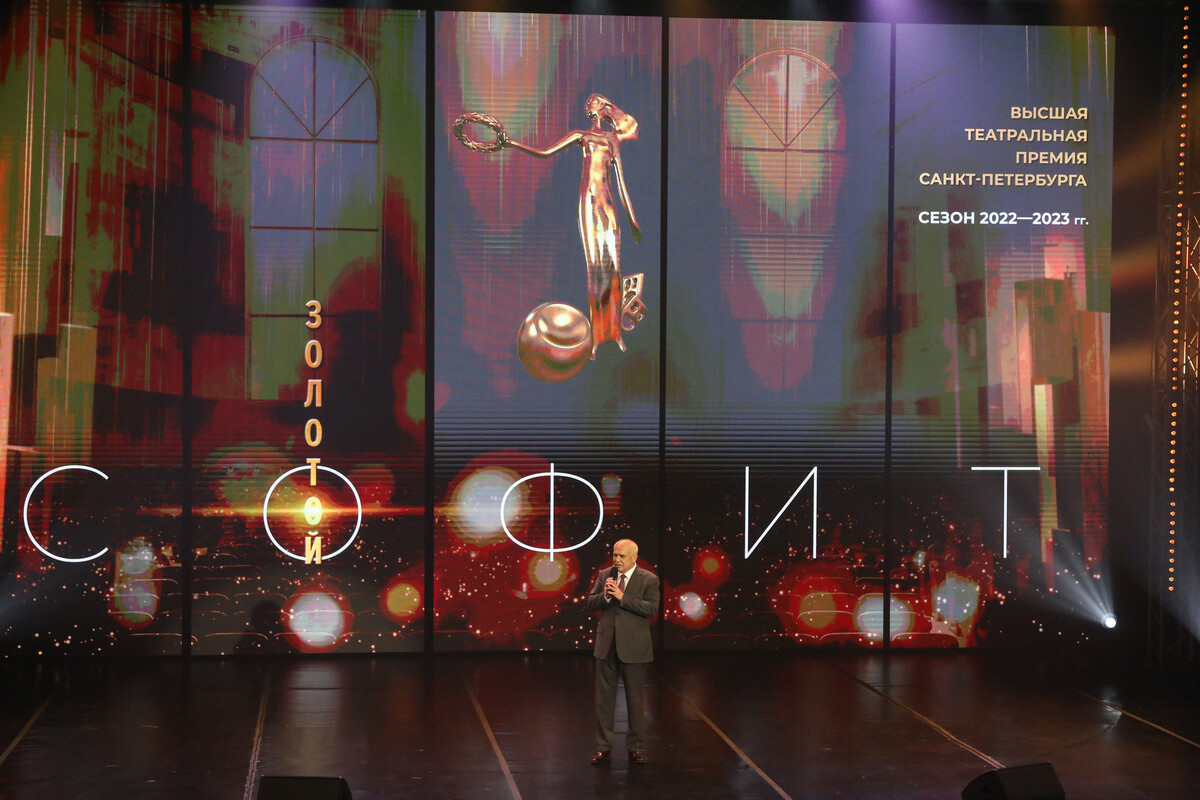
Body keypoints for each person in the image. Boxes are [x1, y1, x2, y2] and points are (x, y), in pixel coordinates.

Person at [504, 94, 642, 357]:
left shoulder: (612, 140)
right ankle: (597, 335)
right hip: (589, 202)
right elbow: (545, 152)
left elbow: (621, 183)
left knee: (614, 267)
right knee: (595, 269)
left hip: (608, 205)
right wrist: (511, 143)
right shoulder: (581, 136)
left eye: (594, 102)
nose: (590, 105)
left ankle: (614, 332)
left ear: (602, 108)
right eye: (589, 103)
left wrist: (632, 219)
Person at [584, 538, 659, 765]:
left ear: (634, 557)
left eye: (621, 556)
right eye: (615, 555)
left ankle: (635, 747)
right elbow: (590, 603)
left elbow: (651, 608)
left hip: (634, 648)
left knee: (634, 700)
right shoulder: (605, 575)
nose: (616, 559)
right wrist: (606, 596)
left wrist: (622, 597)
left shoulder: (649, 579)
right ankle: (603, 748)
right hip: (606, 646)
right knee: (603, 700)